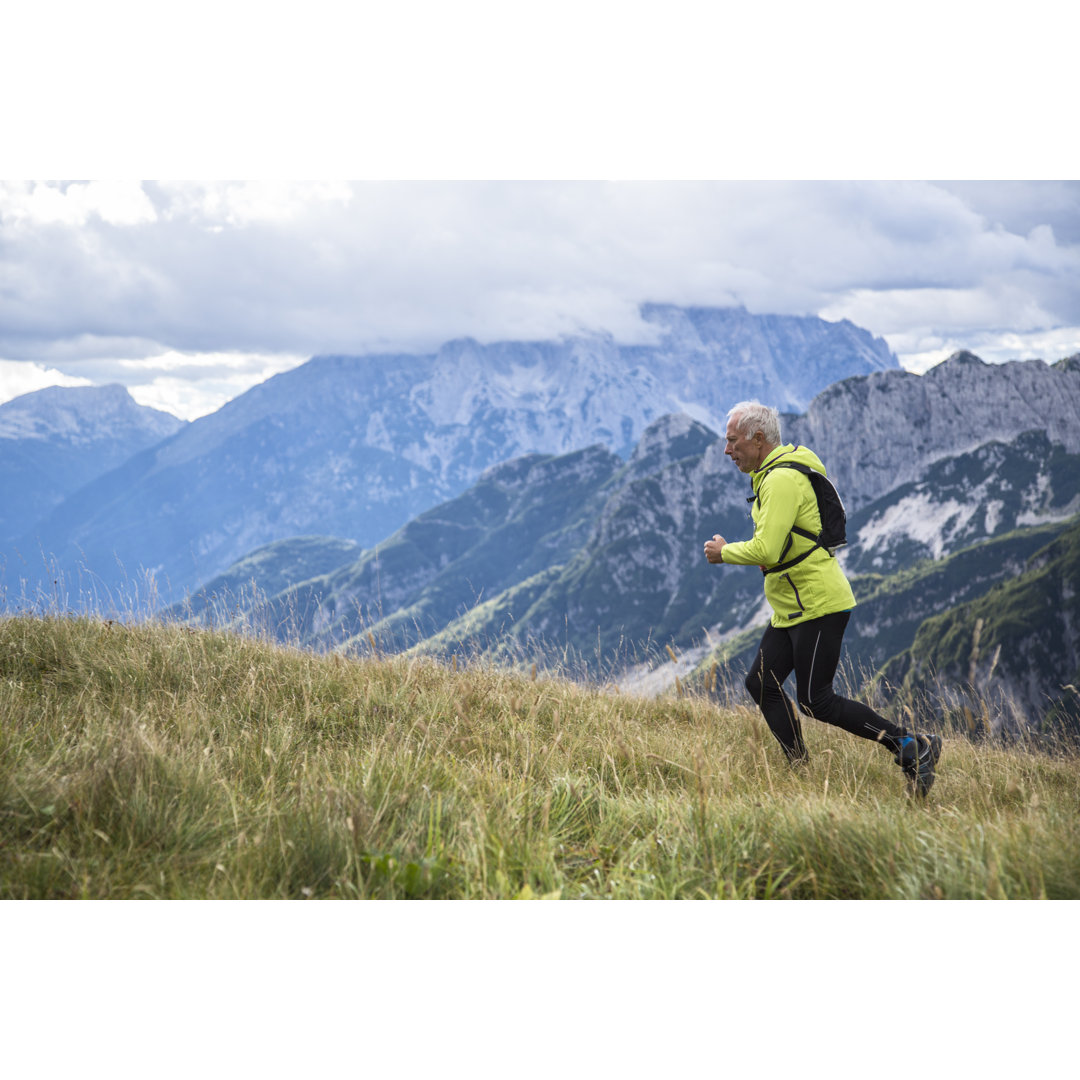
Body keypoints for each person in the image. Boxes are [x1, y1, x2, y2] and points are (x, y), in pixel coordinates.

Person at [703, 400, 942, 797]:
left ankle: (912, 746)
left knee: (816, 700)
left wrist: (724, 552)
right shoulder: (771, 474)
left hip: (817, 605)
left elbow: (766, 549)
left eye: (732, 441)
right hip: (792, 608)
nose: (727, 450)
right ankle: (800, 772)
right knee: (762, 683)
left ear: (758, 439)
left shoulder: (779, 480)